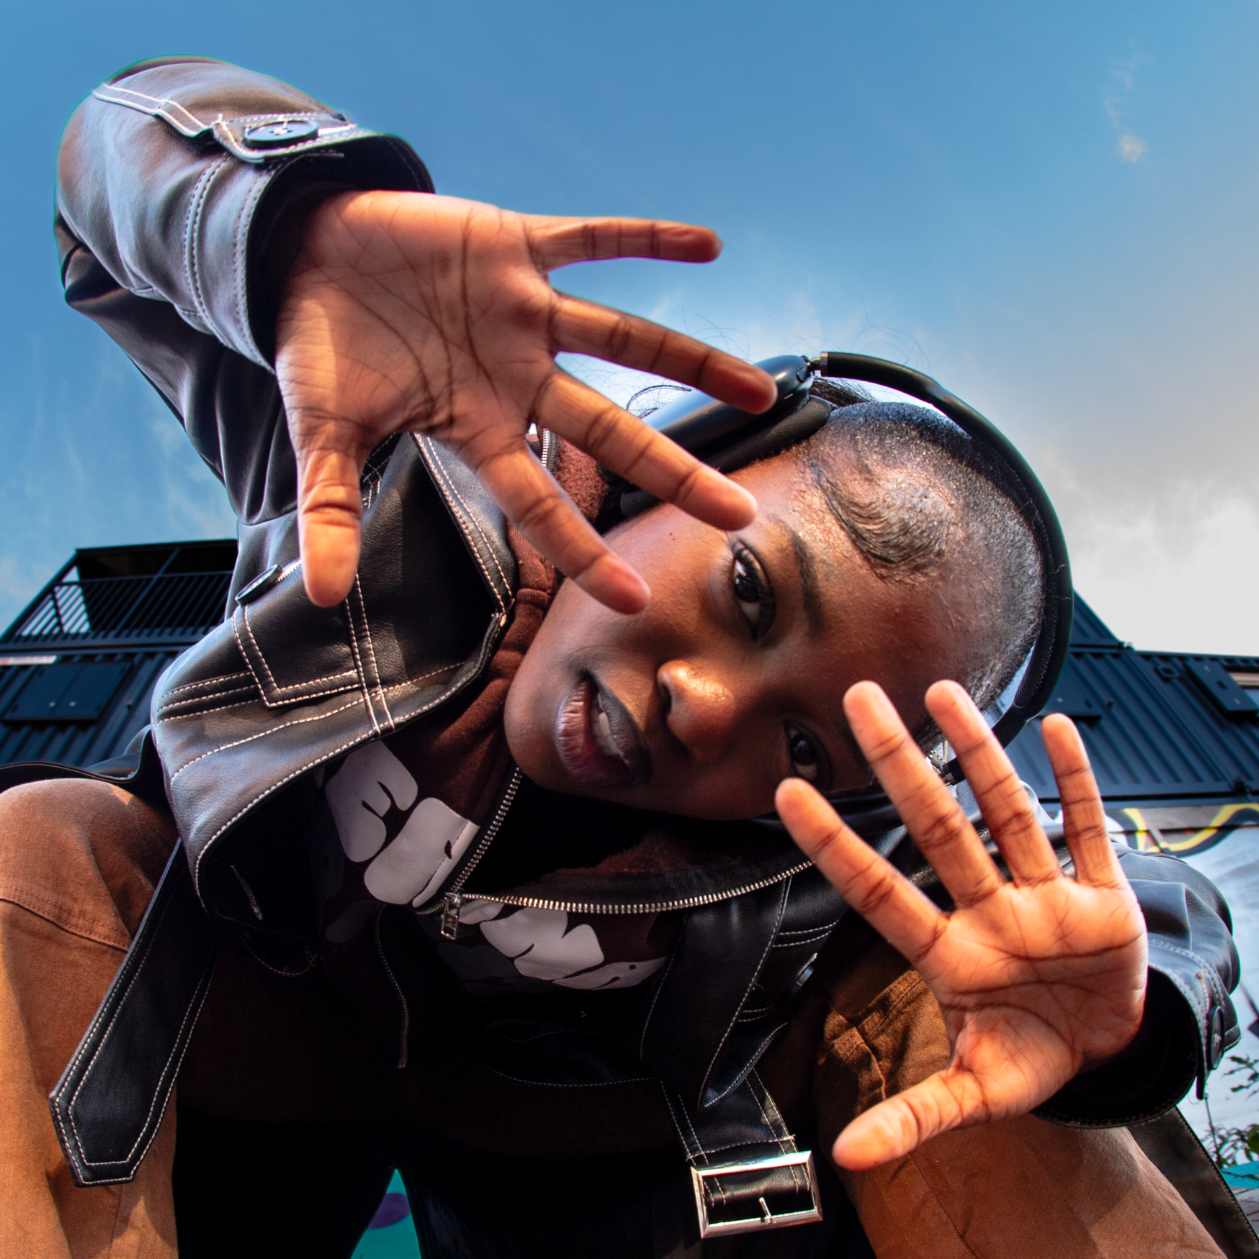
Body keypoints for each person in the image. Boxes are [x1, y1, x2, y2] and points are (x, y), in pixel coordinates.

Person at [0, 55, 1247, 1258]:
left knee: (974, 996)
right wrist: (290, 225)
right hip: (264, 1027)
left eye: (804, 742)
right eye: (751, 592)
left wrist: (1133, 1016)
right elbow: (97, 187)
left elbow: (1147, 909)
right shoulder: (400, 487)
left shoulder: (857, 828)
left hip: (593, 1154)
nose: (705, 709)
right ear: (671, 467)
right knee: (49, 848)